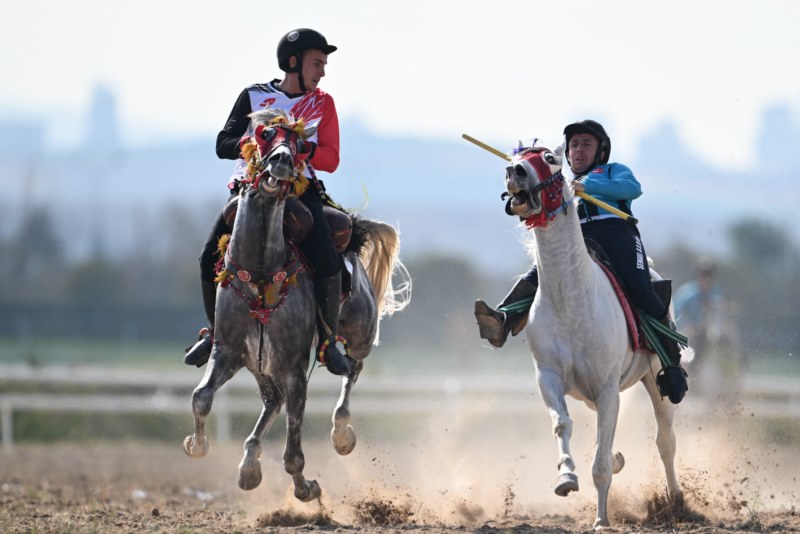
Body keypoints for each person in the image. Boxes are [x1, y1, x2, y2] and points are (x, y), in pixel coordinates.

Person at [474, 120, 689, 403]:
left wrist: (587, 184)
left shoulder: (613, 171)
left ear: (601, 152)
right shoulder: (557, 182)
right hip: (579, 239)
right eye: (574, 145)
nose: (578, 150)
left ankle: (671, 361)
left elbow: (632, 187)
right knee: (539, 275)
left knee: (640, 287)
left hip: (617, 236)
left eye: (586, 144)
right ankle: (502, 319)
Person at [183, 28, 354, 376]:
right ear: (293, 62)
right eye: (317, 63)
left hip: (300, 189)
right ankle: (214, 335)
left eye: (324, 64)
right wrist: (254, 145)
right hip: (249, 189)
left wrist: (300, 148)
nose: (322, 71)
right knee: (208, 258)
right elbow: (222, 143)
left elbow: (332, 159)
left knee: (326, 258)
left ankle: (327, 341)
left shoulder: (324, 104)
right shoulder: (253, 95)